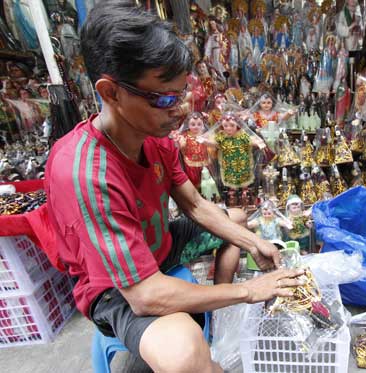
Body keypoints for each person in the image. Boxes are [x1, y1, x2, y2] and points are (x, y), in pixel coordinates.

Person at [44, 3, 303, 372]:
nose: (180, 110)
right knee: (183, 353)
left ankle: (215, 321)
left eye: (183, 95)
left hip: (157, 245)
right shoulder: (86, 173)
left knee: (239, 220)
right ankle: (207, 338)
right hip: (115, 285)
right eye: (166, 98)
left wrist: (254, 243)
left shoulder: (155, 135)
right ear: (111, 92)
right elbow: (146, 295)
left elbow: (195, 205)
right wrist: (249, 292)